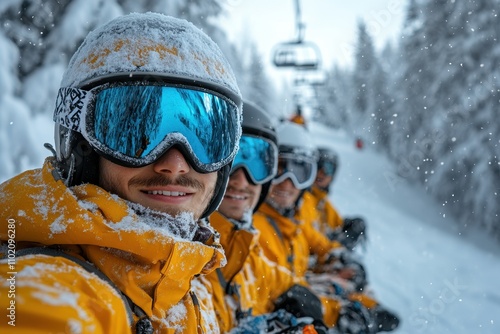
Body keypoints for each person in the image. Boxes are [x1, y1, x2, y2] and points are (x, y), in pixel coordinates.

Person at [0, 13, 243, 333]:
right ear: (81, 146)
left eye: (206, 139)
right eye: (135, 134)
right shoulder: (47, 289)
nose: (175, 163)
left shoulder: (186, 276)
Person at [254, 121, 399, 332]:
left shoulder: (291, 220)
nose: (287, 182)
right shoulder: (256, 228)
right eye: (279, 169)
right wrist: (337, 311)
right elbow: (283, 294)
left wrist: (337, 257)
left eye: (300, 172)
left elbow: (317, 243)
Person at [205, 101, 324, 333]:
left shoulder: (242, 246)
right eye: (229, 164)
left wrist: (320, 306)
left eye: (256, 166)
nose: (241, 181)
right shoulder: (189, 260)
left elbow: (277, 281)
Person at [309, 146, 367, 251]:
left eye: (329, 168)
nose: (322, 172)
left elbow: (336, 224)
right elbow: (310, 238)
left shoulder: (323, 203)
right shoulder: (300, 200)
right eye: (319, 166)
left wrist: (351, 226)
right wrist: (334, 246)